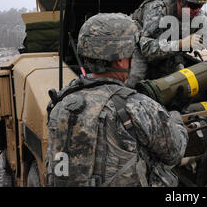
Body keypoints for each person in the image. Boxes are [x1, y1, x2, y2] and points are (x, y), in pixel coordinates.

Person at [45, 13, 188, 187]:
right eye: (131, 52)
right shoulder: (136, 107)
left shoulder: (62, 103)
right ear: (120, 60)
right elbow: (175, 152)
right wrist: (174, 116)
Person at [131, 0, 207, 80]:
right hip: (137, 51)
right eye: (193, 5)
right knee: (135, 80)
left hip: (167, 56)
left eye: (200, 6)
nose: (196, 10)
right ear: (180, 0)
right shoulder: (157, 9)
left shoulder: (199, 18)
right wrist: (181, 44)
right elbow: (146, 48)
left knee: (182, 83)